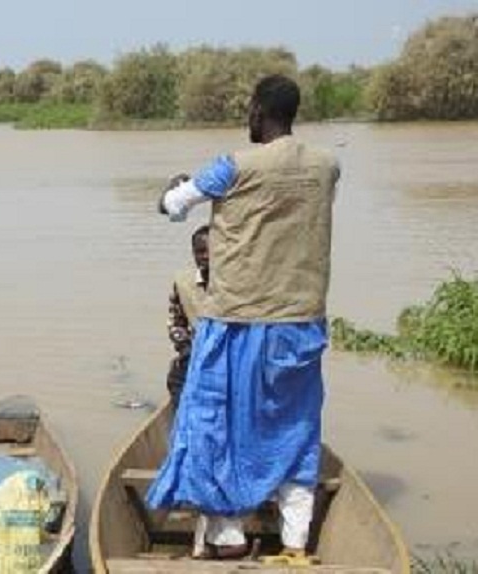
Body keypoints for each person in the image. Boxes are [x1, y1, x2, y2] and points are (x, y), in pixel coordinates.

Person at [147, 75, 340, 563]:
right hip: (301, 322)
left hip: (236, 321)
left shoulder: (232, 167)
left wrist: (173, 189)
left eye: (249, 112)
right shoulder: (327, 166)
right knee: (294, 427)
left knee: (217, 424)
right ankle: (295, 544)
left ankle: (228, 535)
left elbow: (172, 205)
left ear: (257, 112)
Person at [166, 225, 209, 403]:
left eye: (211, 250)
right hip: (195, 354)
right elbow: (176, 324)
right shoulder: (183, 283)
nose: (206, 256)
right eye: (200, 251)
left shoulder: (238, 284)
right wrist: (185, 349)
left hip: (231, 357)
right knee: (177, 379)